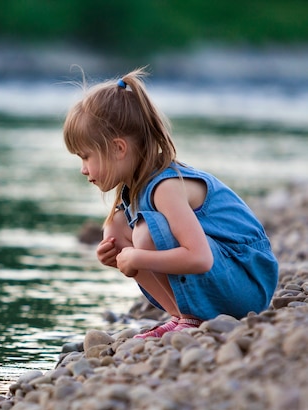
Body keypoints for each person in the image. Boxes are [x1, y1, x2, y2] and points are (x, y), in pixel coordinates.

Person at [63, 68, 278, 339]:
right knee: (115, 229)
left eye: (85, 156)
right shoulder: (135, 190)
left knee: (145, 233)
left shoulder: (165, 186)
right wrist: (114, 257)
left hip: (247, 281)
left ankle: (189, 317)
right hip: (226, 277)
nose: (83, 169)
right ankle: (182, 316)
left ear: (118, 148)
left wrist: (139, 256)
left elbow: (199, 258)